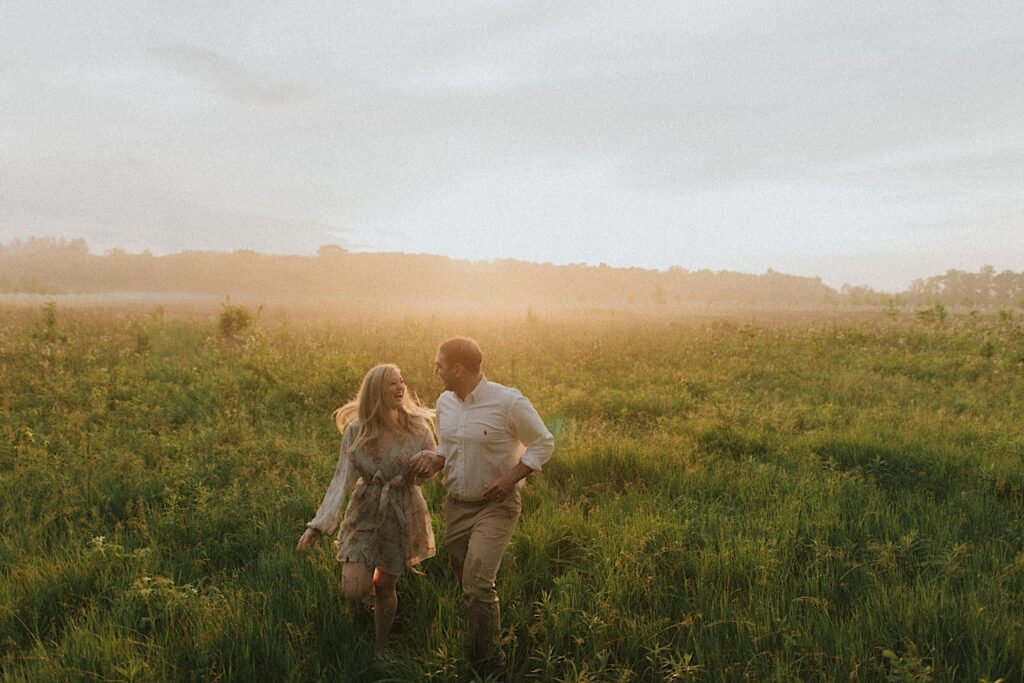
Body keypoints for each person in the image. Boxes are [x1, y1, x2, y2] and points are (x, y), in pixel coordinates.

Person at [410, 337, 554, 669]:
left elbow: (543, 444)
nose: (436, 369)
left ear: (458, 368)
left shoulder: (508, 402)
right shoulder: (445, 402)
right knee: (466, 581)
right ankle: (476, 637)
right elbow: (448, 448)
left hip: (496, 507)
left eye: (440, 364)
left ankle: (490, 662)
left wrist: (511, 477)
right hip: (457, 505)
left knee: (477, 582)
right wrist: (433, 460)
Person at [297, 363, 437, 650]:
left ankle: (380, 645)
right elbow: (342, 478)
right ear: (375, 391)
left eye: (401, 382)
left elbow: (432, 469)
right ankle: (367, 598)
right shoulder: (357, 431)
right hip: (365, 509)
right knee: (353, 589)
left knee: (385, 585)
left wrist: (426, 464)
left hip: (402, 509)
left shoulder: (418, 429)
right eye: (391, 383)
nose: (400, 388)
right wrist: (318, 525)